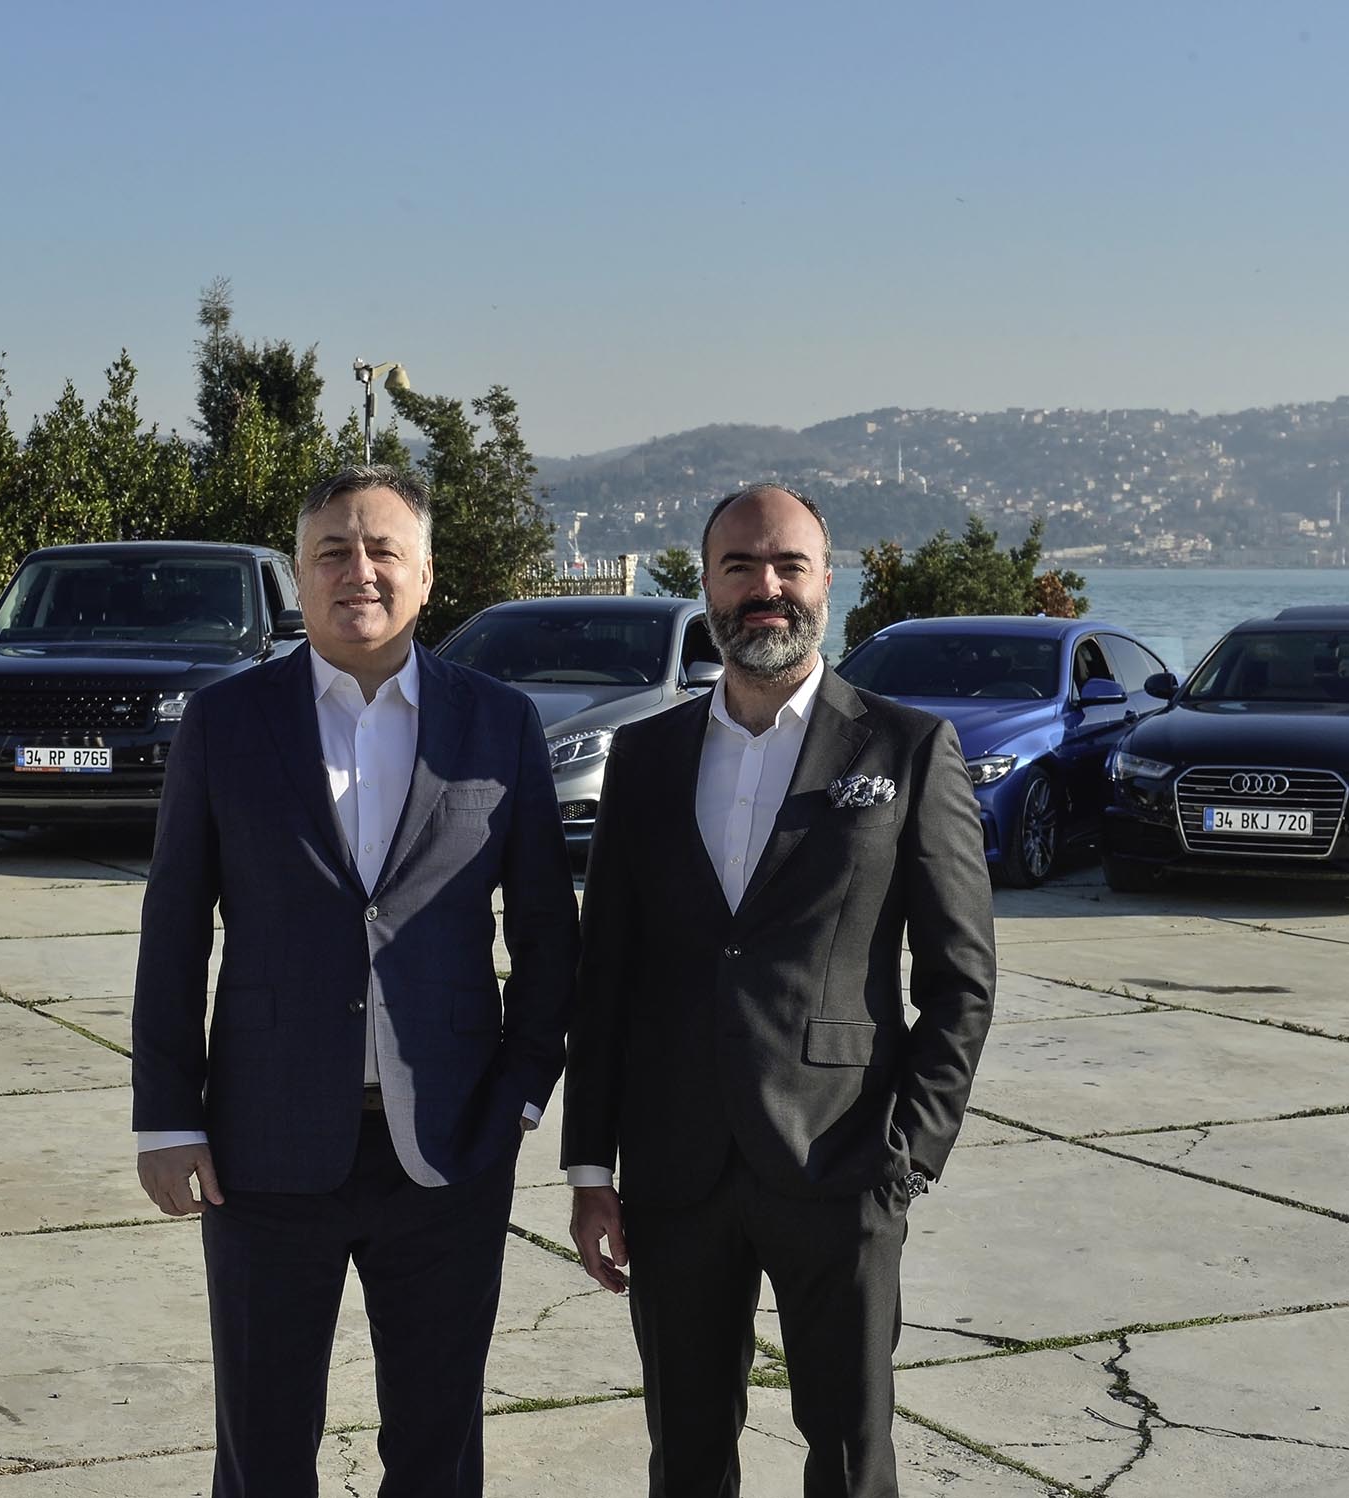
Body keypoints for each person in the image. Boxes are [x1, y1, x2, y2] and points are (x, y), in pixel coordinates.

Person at [132, 465, 579, 1498]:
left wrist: (519, 1096)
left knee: (437, 1451)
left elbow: (549, 936)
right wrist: (167, 1115)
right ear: (298, 575)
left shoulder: (498, 722)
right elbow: (174, 927)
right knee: (263, 1449)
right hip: (261, 1148)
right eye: (332, 551)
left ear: (427, 574)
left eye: (383, 550)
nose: (359, 571)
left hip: (450, 1148)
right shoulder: (225, 722)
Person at [561, 483, 995, 1497]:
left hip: (843, 1166)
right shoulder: (646, 755)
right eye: (740, 567)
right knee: (685, 1458)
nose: (766, 587)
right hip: (673, 1175)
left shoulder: (906, 748)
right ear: (706, 585)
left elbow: (961, 979)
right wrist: (590, 1166)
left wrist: (908, 1157)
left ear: (826, 581)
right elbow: (606, 971)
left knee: (849, 1459)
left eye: (789, 564)